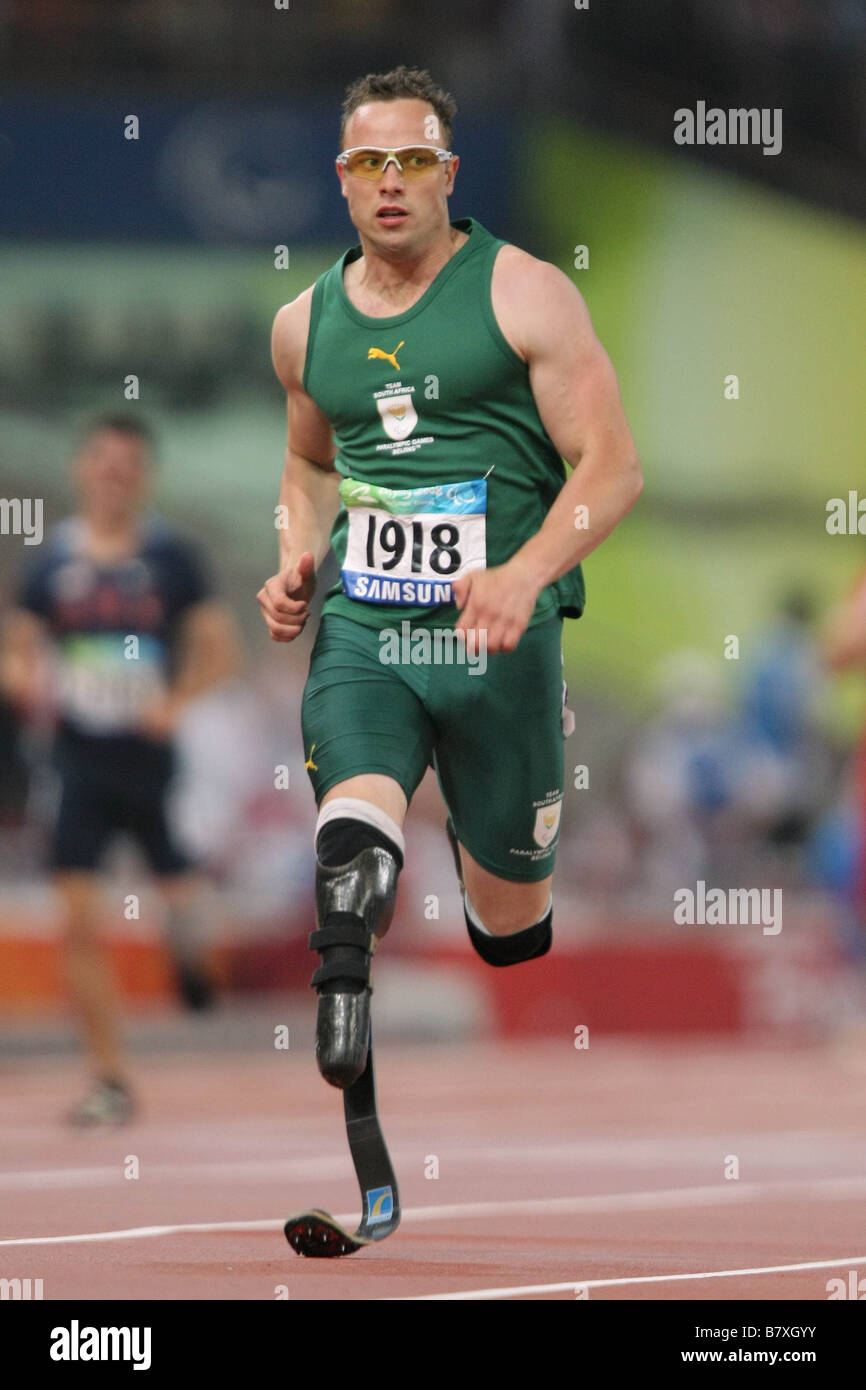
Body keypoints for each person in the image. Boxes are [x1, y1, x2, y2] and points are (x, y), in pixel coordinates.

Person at [257, 66, 642, 1092]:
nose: (391, 181)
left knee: (509, 929)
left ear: (446, 173)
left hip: (496, 642)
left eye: (413, 161)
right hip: (370, 626)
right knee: (355, 826)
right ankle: (342, 972)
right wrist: (295, 550)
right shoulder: (303, 325)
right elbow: (306, 462)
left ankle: (476, 869)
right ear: (341, 180)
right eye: (369, 163)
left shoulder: (523, 292)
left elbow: (612, 469)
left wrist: (521, 574)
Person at [1, 414, 240, 1125]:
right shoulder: (49, 566)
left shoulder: (174, 560)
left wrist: (177, 700)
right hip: (79, 759)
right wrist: (28, 681)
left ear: (144, 478)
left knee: (188, 907)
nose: (114, 476)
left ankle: (193, 962)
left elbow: (220, 650)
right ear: (83, 470)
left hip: (153, 761)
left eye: (128, 465)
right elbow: (16, 650)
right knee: (79, 918)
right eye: (103, 462)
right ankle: (109, 1076)